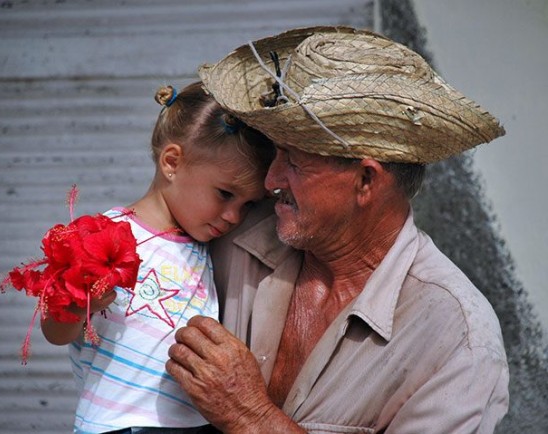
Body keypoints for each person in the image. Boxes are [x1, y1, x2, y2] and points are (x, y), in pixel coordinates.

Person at [165, 26, 510, 433]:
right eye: (276, 154)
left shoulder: (455, 338)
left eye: (293, 161)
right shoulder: (232, 230)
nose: (271, 179)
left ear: (366, 180)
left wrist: (250, 418)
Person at [40, 81, 274, 433]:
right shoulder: (105, 237)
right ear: (172, 162)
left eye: (248, 204)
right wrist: (77, 305)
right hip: (118, 425)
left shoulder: (206, 245)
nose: (234, 216)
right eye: (225, 194)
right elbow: (53, 332)